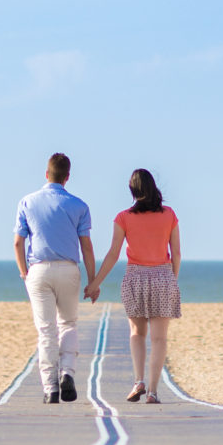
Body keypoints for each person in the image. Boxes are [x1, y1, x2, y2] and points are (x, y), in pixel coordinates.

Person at [87, 168, 180, 403]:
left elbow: (113, 254)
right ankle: (153, 392)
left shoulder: (123, 217)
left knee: (137, 333)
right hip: (162, 276)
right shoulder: (169, 214)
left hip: (135, 277)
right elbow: (177, 253)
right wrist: (172, 280)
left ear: (132, 190)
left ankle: (138, 380)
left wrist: (94, 284)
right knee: (159, 339)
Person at [14, 152, 97, 405]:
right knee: (68, 323)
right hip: (69, 269)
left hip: (38, 270)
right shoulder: (79, 205)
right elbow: (87, 247)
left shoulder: (27, 202)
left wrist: (23, 272)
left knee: (46, 330)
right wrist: (93, 281)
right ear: (67, 177)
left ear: (46, 174)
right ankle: (68, 373)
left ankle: (50, 388)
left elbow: (19, 242)